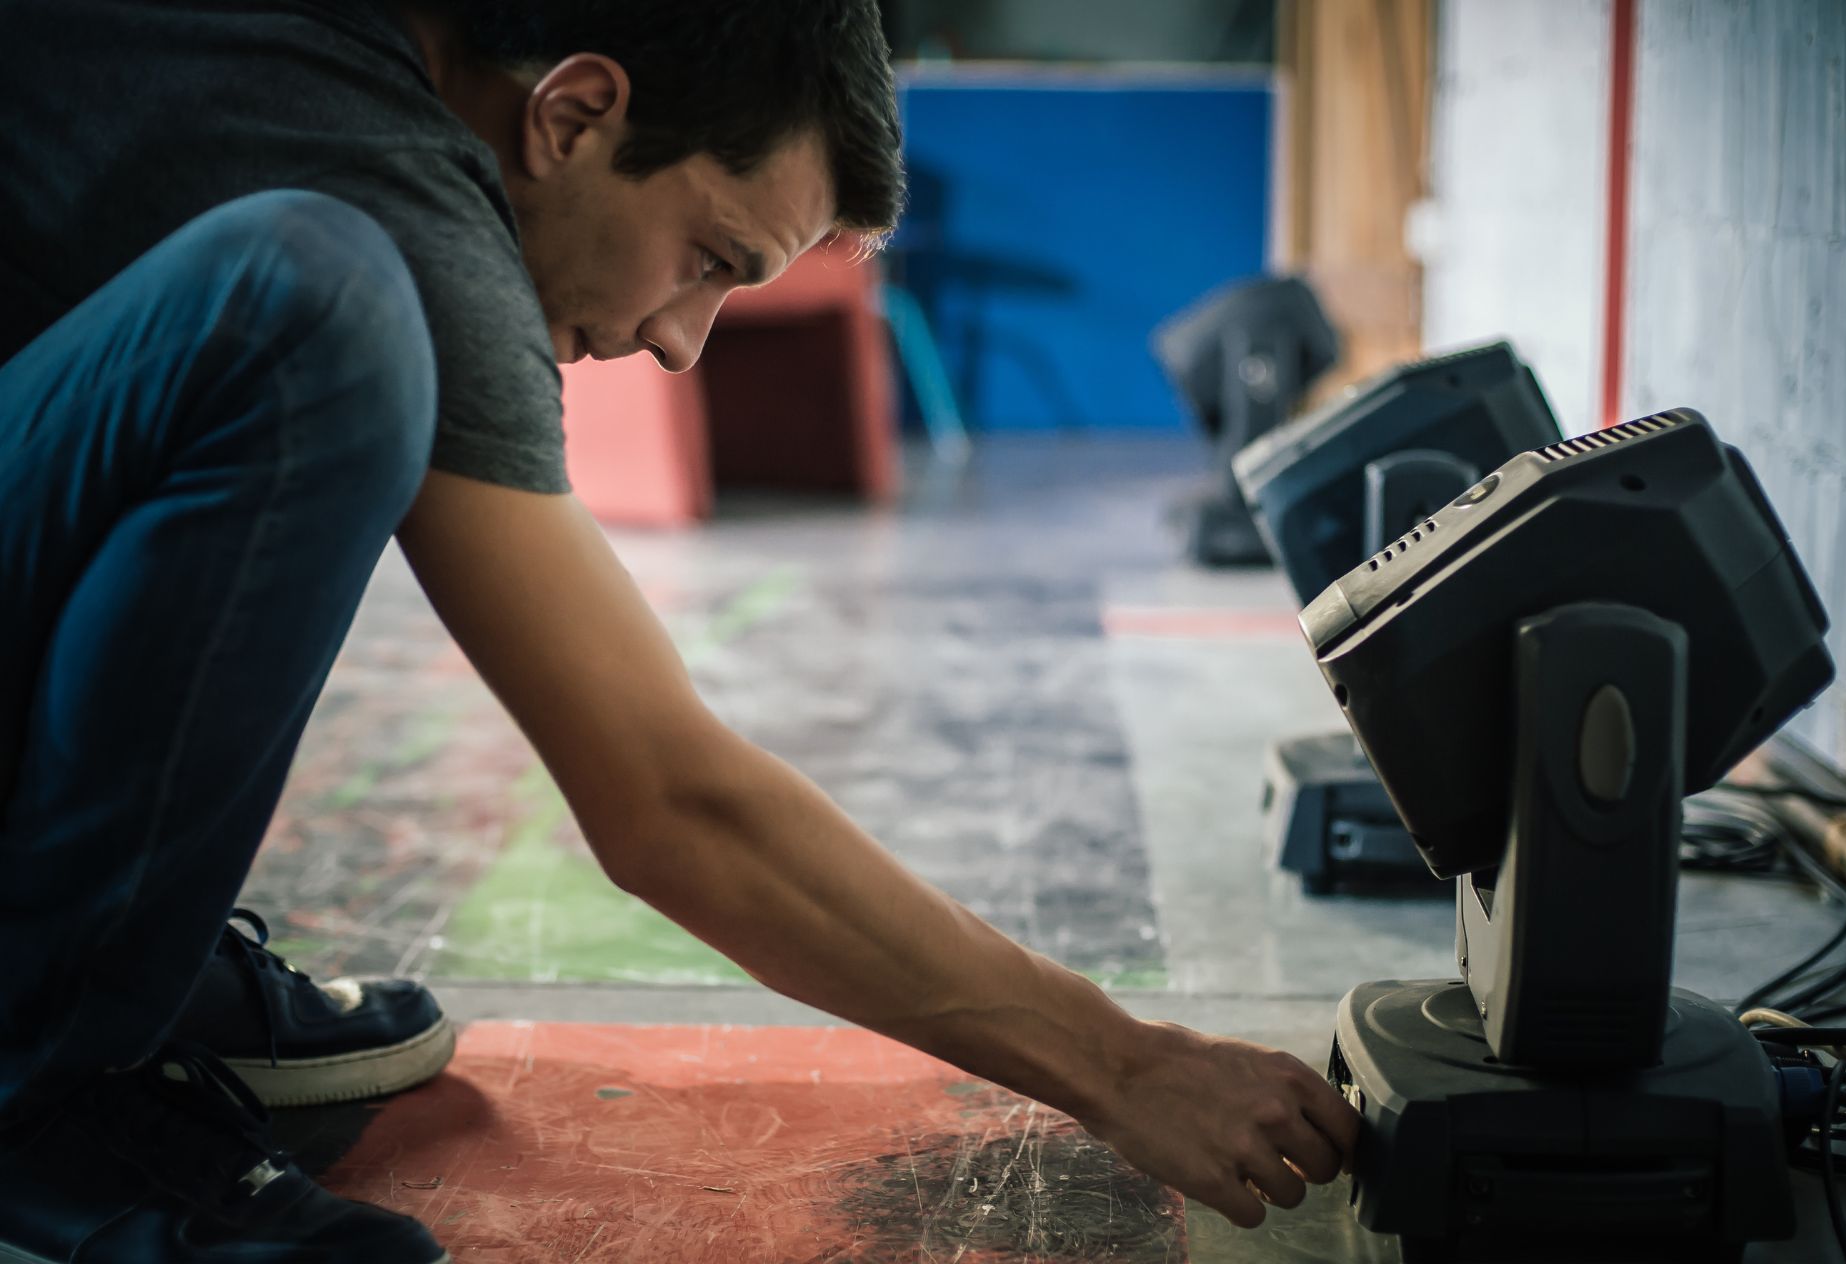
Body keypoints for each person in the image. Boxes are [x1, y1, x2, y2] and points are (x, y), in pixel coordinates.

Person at [0, 1, 1360, 1258]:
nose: (683, 344)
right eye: (710, 259)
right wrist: (1121, 1066)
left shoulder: (346, 70)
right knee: (315, 305)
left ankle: (133, 968)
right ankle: (42, 1084)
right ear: (576, 115)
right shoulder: (390, 175)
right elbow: (665, 801)